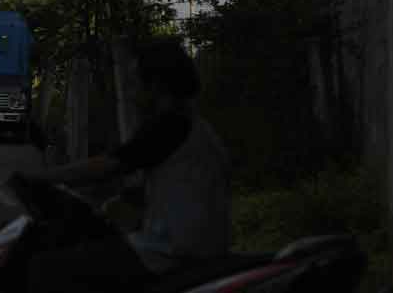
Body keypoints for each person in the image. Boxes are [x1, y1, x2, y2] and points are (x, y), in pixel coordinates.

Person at [12, 38, 231, 293]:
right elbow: (180, 185)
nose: (132, 92)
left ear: (156, 85)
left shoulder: (171, 125)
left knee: (46, 268)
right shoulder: (197, 129)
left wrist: (43, 178)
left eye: (135, 82)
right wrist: (123, 199)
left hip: (171, 252)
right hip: (198, 246)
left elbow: (110, 164)